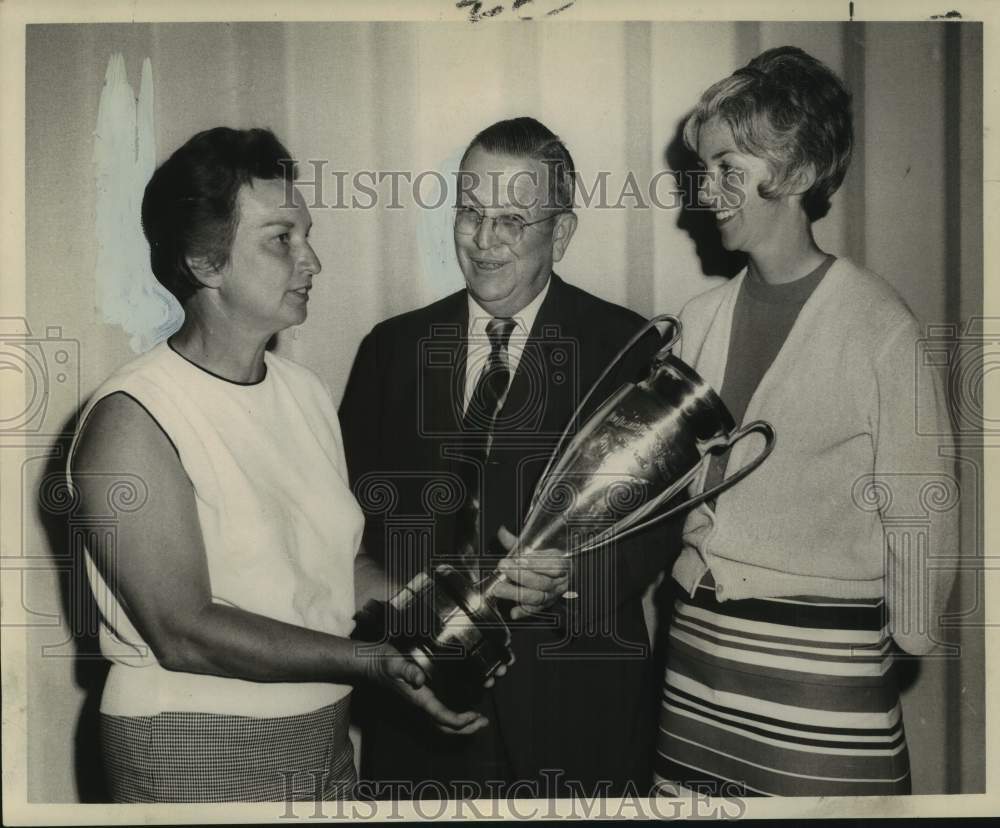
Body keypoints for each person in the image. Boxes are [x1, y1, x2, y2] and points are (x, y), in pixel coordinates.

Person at [68, 127, 488, 803]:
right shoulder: (133, 417)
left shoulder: (304, 392)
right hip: (191, 744)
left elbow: (338, 568)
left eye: (307, 235)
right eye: (281, 239)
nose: (312, 260)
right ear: (205, 262)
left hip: (324, 734)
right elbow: (186, 632)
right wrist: (376, 662)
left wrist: (436, 630)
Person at [654, 47, 957, 797]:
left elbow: (921, 502)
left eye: (728, 165)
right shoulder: (697, 320)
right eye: (704, 166)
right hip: (697, 659)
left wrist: (906, 636)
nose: (707, 189)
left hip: (819, 675)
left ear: (792, 170)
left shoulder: (877, 325)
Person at [340, 116, 670, 799]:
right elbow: (342, 522)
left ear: (563, 233)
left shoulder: (625, 349)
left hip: (575, 717)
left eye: (513, 221)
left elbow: (661, 525)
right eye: (470, 212)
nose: (485, 241)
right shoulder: (390, 349)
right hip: (417, 711)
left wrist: (573, 578)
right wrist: (391, 641)